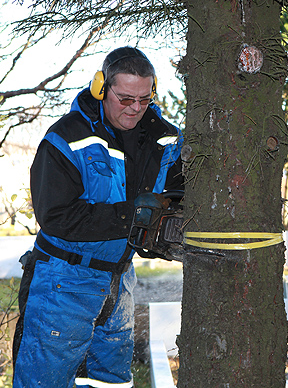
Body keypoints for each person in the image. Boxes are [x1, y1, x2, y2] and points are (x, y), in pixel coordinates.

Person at [12, 46, 183, 387]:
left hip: (119, 280)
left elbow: (176, 192)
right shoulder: (67, 138)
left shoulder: (165, 139)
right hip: (64, 279)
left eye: (144, 99)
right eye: (125, 99)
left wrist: (166, 226)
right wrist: (135, 217)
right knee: (43, 381)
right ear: (101, 87)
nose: (135, 108)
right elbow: (56, 216)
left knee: (111, 382)